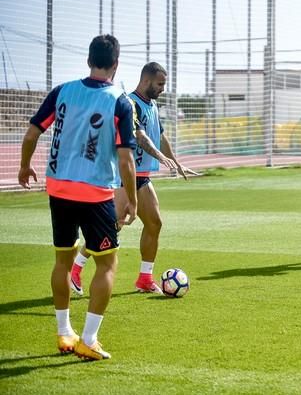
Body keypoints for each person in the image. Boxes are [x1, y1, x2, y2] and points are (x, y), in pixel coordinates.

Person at [18, 35, 137, 360]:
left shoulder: (62, 92)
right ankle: (88, 338)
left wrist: (25, 166)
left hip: (58, 188)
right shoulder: (119, 100)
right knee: (108, 264)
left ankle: (63, 333)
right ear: (116, 64)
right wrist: (132, 199)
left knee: (62, 260)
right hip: (95, 191)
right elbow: (126, 159)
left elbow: (31, 133)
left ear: (88, 60)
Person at [70, 62, 196, 295]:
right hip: (122, 176)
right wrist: (159, 155)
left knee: (154, 223)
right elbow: (141, 138)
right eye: (160, 84)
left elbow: (159, 136)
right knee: (111, 227)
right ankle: (75, 269)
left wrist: (176, 163)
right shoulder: (129, 103)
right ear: (146, 81)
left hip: (143, 177)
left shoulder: (153, 105)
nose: (162, 89)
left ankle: (145, 279)